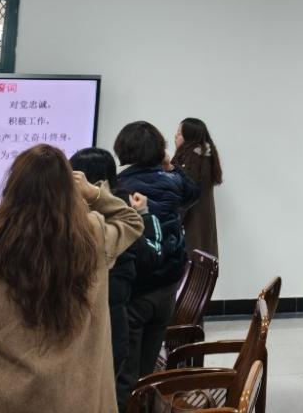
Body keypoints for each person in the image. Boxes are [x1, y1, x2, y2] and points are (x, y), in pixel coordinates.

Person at [0, 144, 143, 413]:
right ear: (70, 193)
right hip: (79, 403)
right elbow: (131, 219)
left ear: (11, 190)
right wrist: (93, 192)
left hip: (2, 403)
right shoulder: (93, 238)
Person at [112, 121, 200, 406]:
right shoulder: (172, 181)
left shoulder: (121, 187)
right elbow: (194, 192)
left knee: (125, 375)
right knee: (147, 373)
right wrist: (171, 166)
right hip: (167, 286)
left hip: (138, 289)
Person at [69, 146, 148, 400]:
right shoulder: (121, 206)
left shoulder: (93, 221)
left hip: (105, 323)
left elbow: (133, 225)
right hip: (113, 320)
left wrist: (92, 196)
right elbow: (133, 223)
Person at [171, 117, 222, 259]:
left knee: (188, 268)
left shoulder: (191, 161)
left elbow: (183, 198)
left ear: (189, 138)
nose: (175, 136)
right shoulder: (205, 158)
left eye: (179, 133)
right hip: (201, 230)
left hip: (190, 231)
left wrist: (170, 225)